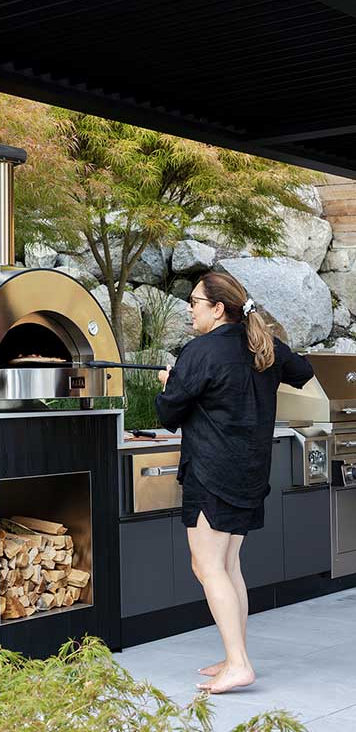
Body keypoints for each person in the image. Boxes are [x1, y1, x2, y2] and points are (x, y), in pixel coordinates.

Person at [155, 272, 313, 695]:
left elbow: (168, 413)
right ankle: (234, 654)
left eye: (194, 301)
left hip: (211, 473)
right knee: (226, 566)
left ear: (217, 308)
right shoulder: (261, 345)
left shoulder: (199, 352)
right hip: (250, 471)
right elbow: (303, 369)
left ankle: (239, 664)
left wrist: (169, 384)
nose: (190, 308)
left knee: (208, 566)